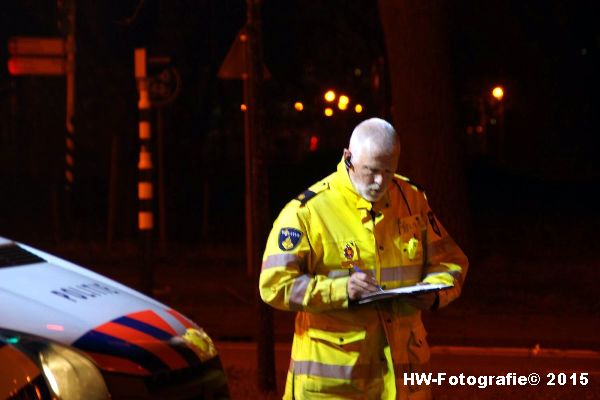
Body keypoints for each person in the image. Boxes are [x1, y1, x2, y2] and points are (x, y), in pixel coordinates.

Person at [259, 118, 468, 399]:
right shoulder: (308, 212)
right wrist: (340, 290)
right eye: (370, 171)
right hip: (333, 388)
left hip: (403, 383)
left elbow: (450, 262)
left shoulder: (412, 199)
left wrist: (435, 292)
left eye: (389, 171)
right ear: (348, 158)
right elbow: (274, 285)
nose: (381, 181)